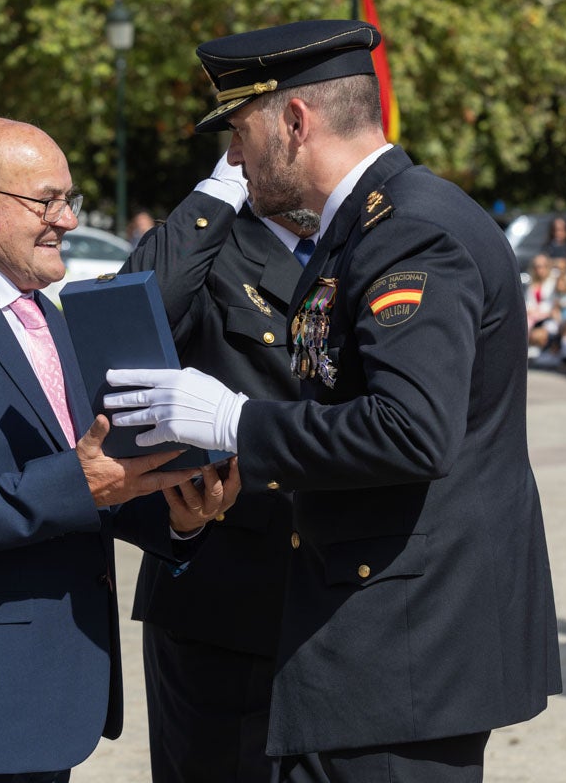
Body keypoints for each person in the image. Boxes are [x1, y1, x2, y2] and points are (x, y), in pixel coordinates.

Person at [105, 20, 561, 783]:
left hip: (404, 652)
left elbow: (414, 431)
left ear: (293, 121)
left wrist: (232, 420)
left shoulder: (408, 230)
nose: (235, 155)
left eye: (241, 131)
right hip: (369, 646)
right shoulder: (374, 222)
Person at [0, 116, 239, 783]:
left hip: (49, 705)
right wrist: (78, 483)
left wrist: (179, 513)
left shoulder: (48, 314)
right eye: (46, 201)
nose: (65, 219)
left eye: (70, 200)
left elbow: (94, 481)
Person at [120, 155, 321, 783]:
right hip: (226, 597)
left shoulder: (364, 241)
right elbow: (129, 314)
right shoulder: (214, 243)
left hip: (338, 596)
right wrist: (220, 190)